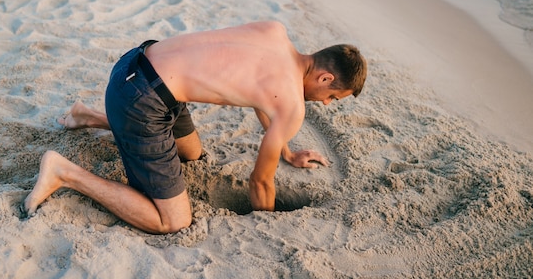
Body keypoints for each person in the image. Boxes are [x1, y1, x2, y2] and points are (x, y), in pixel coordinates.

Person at [21, 21, 367, 234]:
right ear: (325, 77)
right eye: (333, 96)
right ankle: (64, 173)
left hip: (133, 64)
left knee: (191, 153)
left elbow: (268, 100)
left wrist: (286, 151)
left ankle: (89, 115)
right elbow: (259, 181)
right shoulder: (291, 104)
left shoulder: (274, 31)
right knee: (172, 222)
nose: (325, 103)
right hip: (141, 101)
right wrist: (269, 222)